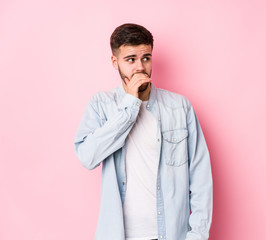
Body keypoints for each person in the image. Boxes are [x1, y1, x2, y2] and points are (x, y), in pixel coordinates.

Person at [74, 23, 213, 240]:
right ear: (115, 62)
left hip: (171, 234)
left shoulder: (179, 107)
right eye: (130, 59)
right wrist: (130, 104)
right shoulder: (101, 105)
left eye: (146, 58)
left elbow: (200, 177)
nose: (140, 67)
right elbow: (87, 157)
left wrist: (197, 235)